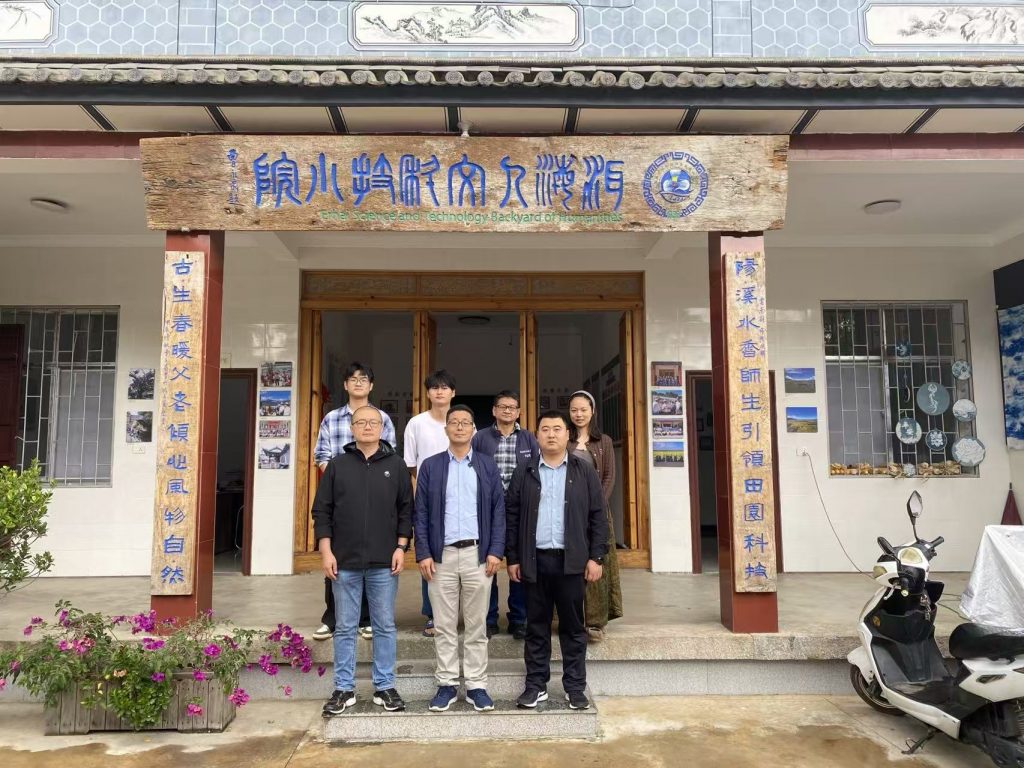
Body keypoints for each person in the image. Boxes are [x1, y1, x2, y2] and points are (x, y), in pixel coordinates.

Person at [313, 405, 412, 715]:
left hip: (385, 561)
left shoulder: (396, 465)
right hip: (344, 561)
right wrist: (326, 551)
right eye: (361, 422)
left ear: (382, 428)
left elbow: (406, 509)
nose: (368, 427)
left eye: (373, 422)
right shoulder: (337, 465)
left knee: (384, 625)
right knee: (344, 627)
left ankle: (385, 687)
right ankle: (344, 689)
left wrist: (401, 547)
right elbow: (322, 511)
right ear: (352, 428)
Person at [506, 410, 607, 711]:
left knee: (573, 628)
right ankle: (536, 686)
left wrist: (596, 556)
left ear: (567, 434)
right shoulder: (524, 470)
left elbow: (598, 515)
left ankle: (575, 688)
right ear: (536, 435)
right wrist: (513, 557)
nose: (551, 434)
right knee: (536, 626)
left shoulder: (582, 469)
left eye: (557, 429)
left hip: (571, 562)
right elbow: (512, 515)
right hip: (534, 561)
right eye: (545, 429)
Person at [414, 405, 505, 712]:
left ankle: (477, 685)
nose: (460, 427)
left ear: (473, 430)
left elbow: (498, 510)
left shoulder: (486, 465)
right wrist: (423, 552)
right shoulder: (431, 466)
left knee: (477, 625)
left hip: (478, 555)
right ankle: (447, 684)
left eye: (466, 422)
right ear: (446, 429)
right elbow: (420, 513)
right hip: (441, 556)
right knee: (444, 624)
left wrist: (495, 550)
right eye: (454, 422)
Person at [311, 362, 396, 642]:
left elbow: (390, 454)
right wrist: (341, 477)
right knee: (336, 555)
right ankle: (332, 618)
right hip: (341, 496)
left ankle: (366, 619)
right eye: (353, 379)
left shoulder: (382, 418)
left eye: (364, 379)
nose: (358, 383)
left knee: (372, 556)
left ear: (371, 385)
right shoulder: (331, 418)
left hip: (375, 495)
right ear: (346, 385)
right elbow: (321, 454)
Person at [471, 389, 539, 640]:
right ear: (494, 410)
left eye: (512, 407)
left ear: (519, 412)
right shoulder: (480, 438)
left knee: (518, 563)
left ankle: (519, 619)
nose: (508, 410)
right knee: (487, 565)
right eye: (503, 406)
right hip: (488, 510)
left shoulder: (529, 439)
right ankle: (489, 619)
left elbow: (536, 471)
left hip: (520, 509)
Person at [404, 369, 458, 637]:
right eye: (435, 387)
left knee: (462, 557)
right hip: (427, 499)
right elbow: (411, 467)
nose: (439, 391)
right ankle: (432, 614)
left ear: (453, 393)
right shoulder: (416, 424)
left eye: (444, 387)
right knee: (429, 556)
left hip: (459, 499)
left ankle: (457, 613)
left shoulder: (461, 422)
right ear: (427, 393)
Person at [568, 390, 624, 642]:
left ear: (592, 411)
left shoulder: (604, 441)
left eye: (583, 409)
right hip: (568, 512)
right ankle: (569, 617)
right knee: (569, 565)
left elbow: (609, 476)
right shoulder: (565, 438)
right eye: (574, 410)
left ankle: (595, 621)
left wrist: (596, 506)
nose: (578, 414)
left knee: (597, 564)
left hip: (596, 512)